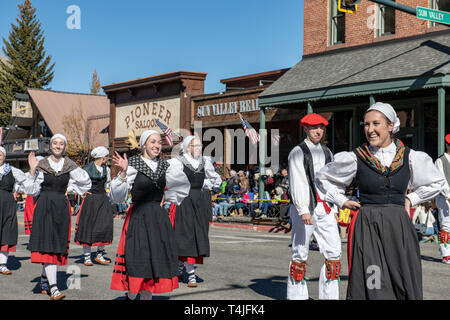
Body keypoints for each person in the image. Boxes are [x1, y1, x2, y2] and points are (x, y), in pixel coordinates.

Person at [315, 102, 445, 300]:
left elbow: (437, 182)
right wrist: (341, 200)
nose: (370, 129)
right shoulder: (356, 157)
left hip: (398, 224)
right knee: (373, 278)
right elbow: (322, 178)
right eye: (366, 124)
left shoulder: (410, 157)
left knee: (403, 277)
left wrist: (411, 198)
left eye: (376, 124)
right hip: (368, 225)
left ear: (391, 126)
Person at [110, 130, 187, 300]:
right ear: (144, 144)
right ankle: (131, 296)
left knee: (152, 264)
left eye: (159, 142)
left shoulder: (166, 165)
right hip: (138, 217)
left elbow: (181, 188)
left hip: (158, 220)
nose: (157, 145)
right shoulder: (132, 163)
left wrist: (166, 197)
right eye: (152, 142)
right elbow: (116, 197)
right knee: (137, 260)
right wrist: (122, 172)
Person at [27, 134, 92, 300]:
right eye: (55, 143)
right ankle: (54, 288)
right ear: (50, 145)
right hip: (44, 205)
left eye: (61, 144)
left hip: (61, 207)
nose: (58, 146)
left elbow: (86, 182)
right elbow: (32, 191)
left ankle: (44, 280)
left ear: (64, 147)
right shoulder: (41, 164)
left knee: (55, 243)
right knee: (47, 244)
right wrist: (33, 170)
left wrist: (72, 189)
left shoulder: (69, 165)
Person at [286, 112, 341, 300]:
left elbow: (332, 182)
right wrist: (302, 210)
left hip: (325, 207)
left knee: (334, 252)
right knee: (300, 252)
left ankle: (330, 297)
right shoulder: (298, 152)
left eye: (321, 127)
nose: (318, 131)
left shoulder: (328, 152)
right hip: (306, 207)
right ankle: (296, 297)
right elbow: (298, 181)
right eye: (314, 127)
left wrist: (335, 208)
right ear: (306, 129)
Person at [166, 135, 221, 288]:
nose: (198, 148)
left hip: (200, 201)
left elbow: (217, 181)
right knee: (184, 235)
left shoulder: (205, 161)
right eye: (194, 145)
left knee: (196, 235)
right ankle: (189, 273)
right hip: (184, 200)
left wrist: (202, 183)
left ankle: (180, 268)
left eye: (199, 145)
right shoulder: (178, 162)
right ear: (186, 147)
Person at [74, 146, 114, 266]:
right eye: (107, 157)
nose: (108, 159)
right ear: (102, 158)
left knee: (104, 226)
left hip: (102, 199)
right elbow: (75, 182)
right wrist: (82, 192)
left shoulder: (106, 169)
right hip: (91, 200)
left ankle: (99, 255)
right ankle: (87, 257)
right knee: (88, 226)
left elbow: (108, 184)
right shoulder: (86, 169)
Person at [0, 147, 36, 275]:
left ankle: (2, 264)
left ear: (4, 157)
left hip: (7, 204)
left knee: (6, 232)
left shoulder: (13, 170)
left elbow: (27, 182)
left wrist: (32, 169)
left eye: (0, 154)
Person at [433, 134, 450, 264]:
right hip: (444, 198)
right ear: (447, 145)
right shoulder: (440, 160)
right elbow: (441, 180)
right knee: (446, 225)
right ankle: (446, 254)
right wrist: (448, 195)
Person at [23, 156, 45, 236]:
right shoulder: (29, 174)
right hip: (31, 199)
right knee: (32, 217)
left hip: (42, 198)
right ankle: (34, 237)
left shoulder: (45, 174)